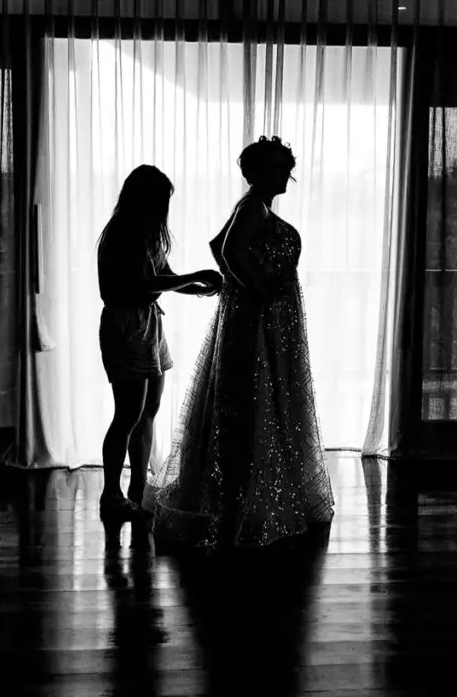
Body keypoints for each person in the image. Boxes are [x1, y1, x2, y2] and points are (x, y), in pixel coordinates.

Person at [142, 136, 335, 548]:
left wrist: (247, 285)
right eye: (282, 168)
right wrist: (258, 290)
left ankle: (239, 492)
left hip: (253, 317)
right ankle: (237, 501)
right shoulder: (252, 207)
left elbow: (218, 246)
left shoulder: (253, 206)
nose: (289, 175)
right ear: (261, 172)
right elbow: (228, 250)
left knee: (250, 402)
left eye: (288, 167)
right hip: (254, 320)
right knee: (250, 402)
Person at [96, 165, 223, 523]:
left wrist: (194, 288)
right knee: (127, 414)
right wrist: (196, 276)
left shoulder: (147, 233)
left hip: (149, 325)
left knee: (148, 410)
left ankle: (137, 489)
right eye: (162, 199)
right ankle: (111, 494)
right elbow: (145, 284)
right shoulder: (122, 234)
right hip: (126, 326)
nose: (165, 207)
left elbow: (162, 277)